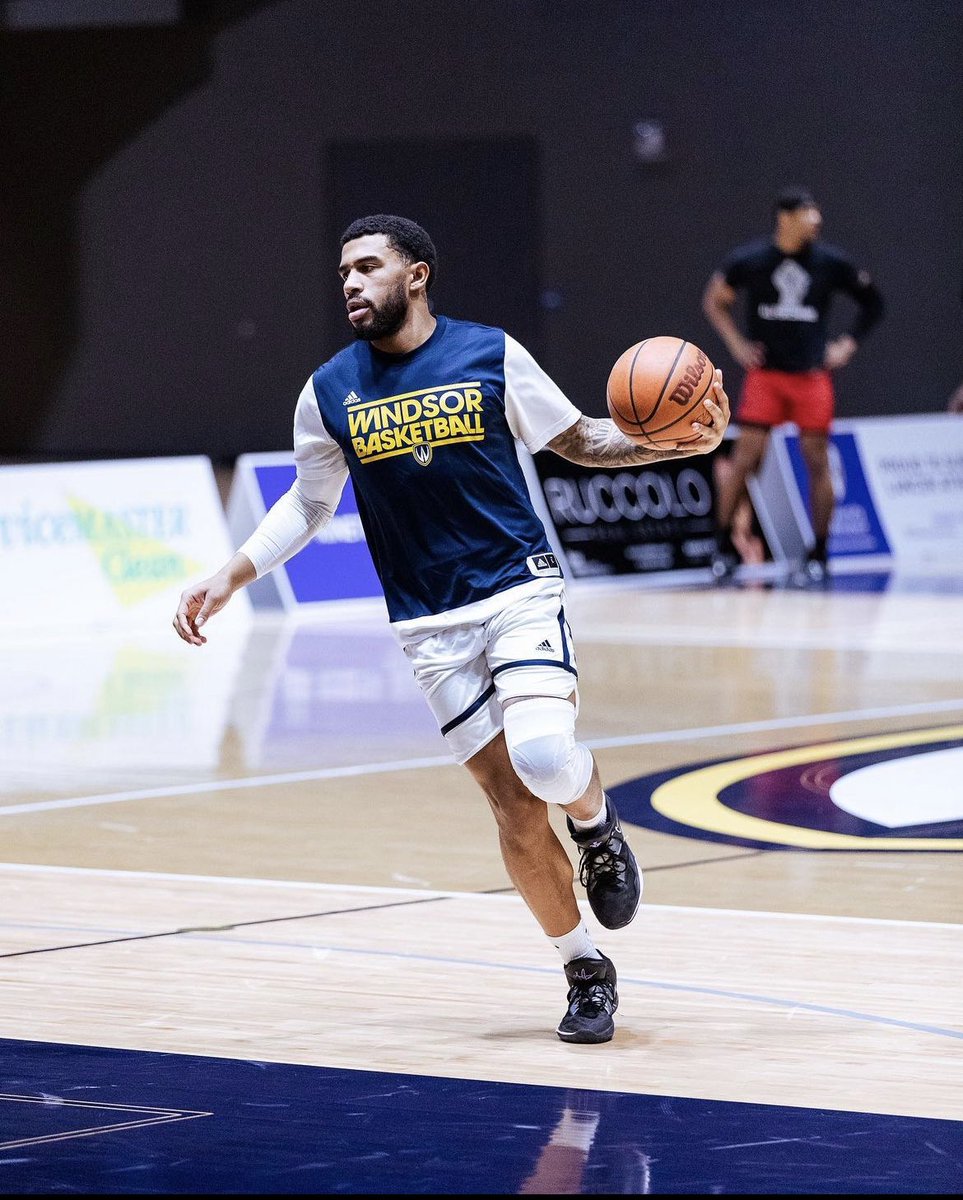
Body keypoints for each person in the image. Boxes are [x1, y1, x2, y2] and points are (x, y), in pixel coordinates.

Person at [173, 214, 730, 1044]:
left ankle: (596, 823)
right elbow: (308, 502)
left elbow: (576, 439)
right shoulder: (328, 390)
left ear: (417, 274)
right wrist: (233, 570)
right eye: (343, 275)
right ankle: (583, 968)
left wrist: (663, 442)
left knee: (543, 757)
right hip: (427, 620)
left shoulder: (489, 353)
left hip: (515, 587)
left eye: (368, 267)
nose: (352, 284)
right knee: (509, 810)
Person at [702, 187, 884, 585]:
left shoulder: (831, 263)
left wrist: (847, 343)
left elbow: (874, 302)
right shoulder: (752, 260)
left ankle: (818, 553)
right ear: (785, 217)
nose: (816, 221)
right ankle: (722, 548)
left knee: (817, 461)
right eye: (808, 214)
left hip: (811, 377)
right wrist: (736, 344)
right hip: (766, 377)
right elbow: (716, 300)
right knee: (745, 458)